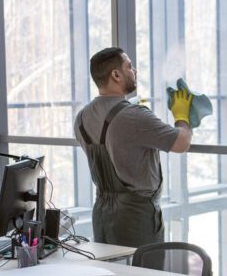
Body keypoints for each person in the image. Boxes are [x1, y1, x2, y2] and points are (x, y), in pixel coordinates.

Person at [74, 47, 193, 248]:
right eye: (129, 66)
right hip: (135, 217)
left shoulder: (82, 117)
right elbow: (181, 142)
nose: (134, 71)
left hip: (102, 214)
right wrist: (182, 116)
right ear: (116, 75)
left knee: (111, 275)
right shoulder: (134, 115)